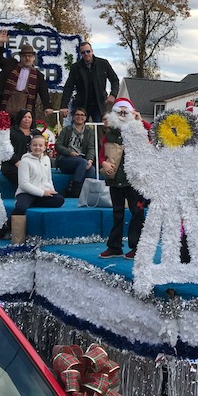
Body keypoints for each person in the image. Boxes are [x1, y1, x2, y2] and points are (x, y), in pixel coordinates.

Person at [98, 98, 146, 260]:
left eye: (126, 112)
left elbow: (153, 137)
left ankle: (136, 247)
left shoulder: (139, 130)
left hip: (134, 180)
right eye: (120, 112)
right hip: (115, 180)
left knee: (137, 213)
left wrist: (141, 122)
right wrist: (103, 163)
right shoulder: (109, 134)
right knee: (117, 213)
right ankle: (114, 247)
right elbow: (101, 155)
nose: (123, 115)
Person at [0, 134, 64, 239]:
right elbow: (24, 184)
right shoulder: (25, 161)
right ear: (30, 147)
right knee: (21, 207)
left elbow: (48, 178)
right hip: (26, 192)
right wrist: (43, 193)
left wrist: (51, 191)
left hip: (42, 192)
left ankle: (31, 203)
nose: (37, 147)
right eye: (35, 145)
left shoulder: (46, 160)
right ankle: (6, 226)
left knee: (59, 200)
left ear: (45, 147)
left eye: (40, 145)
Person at [0, 28, 53, 120]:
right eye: (24, 56)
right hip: (6, 106)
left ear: (34, 58)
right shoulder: (10, 65)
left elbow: (44, 92)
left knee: (23, 133)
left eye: (30, 56)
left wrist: (47, 106)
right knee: (3, 133)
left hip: (25, 112)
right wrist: (0, 44)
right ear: (20, 57)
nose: (27, 58)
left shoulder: (38, 75)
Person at [59, 41, 119, 122]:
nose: (86, 54)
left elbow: (114, 80)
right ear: (80, 54)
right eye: (83, 52)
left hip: (99, 104)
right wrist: (64, 105)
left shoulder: (103, 64)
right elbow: (68, 87)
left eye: (88, 51)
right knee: (80, 129)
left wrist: (113, 94)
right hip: (82, 104)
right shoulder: (76, 67)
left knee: (100, 129)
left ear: (92, 51)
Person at [55, 107, 96, 198]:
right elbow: (58, 145)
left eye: (82, 115)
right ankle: (73, 190)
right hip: (65, 160)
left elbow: (91, 148)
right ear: (73, 117)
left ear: (85, 118)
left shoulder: (89, 131)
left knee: (91, 169)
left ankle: (79, 192)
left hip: (81, 160)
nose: (79, 117)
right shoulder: (67, 129)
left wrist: (90, 159)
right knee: (82, 162)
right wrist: (70, 153)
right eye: (77, 114)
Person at [0, 109, 41, 187]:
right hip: (12, 165)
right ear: (19, 118)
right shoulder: (10, 132)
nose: (27, 119)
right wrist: (16, 162)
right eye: (24, 117)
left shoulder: (36, 133)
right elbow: (5, 149)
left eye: (29, 117)